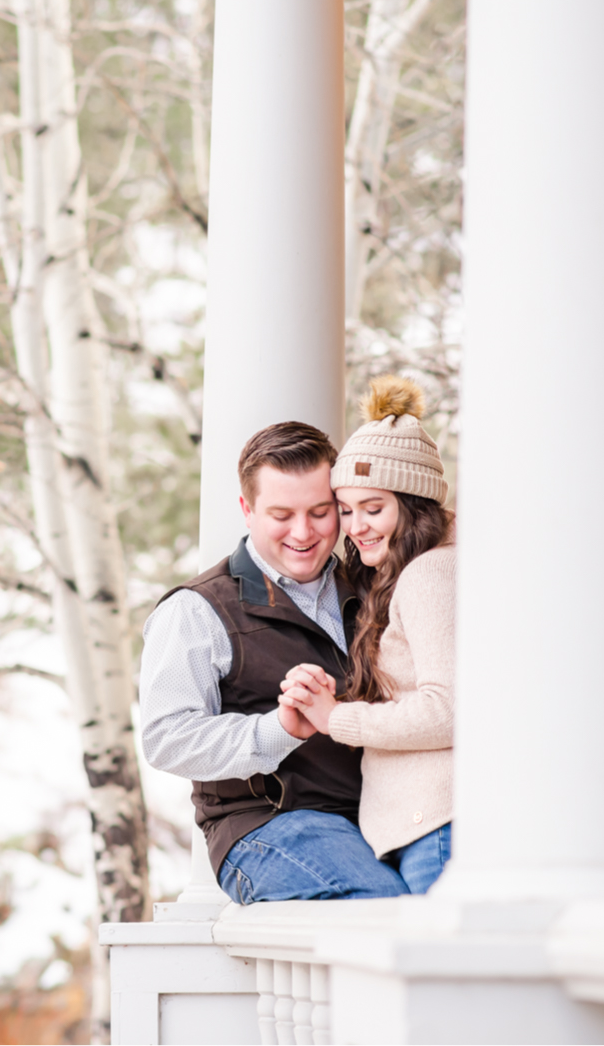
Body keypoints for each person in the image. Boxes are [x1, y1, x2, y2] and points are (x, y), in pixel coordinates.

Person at [139, 422, 409, 904]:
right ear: (247, 509)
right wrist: (278, 729)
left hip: (382, 814)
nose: (303, 533)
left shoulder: (374, 587)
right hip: (270, 826)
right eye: (281, 515)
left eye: (321, 512)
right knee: (384, 908)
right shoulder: (196, 610)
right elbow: (166, 738)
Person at [279, 375, 455, 894]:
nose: (356, 526)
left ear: (415, 503)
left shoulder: (429, 575)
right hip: (425, 826)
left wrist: (338, 719)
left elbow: (450, 710)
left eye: (373, 508)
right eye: (348, 510)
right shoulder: (403, 575)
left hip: (437, 825)